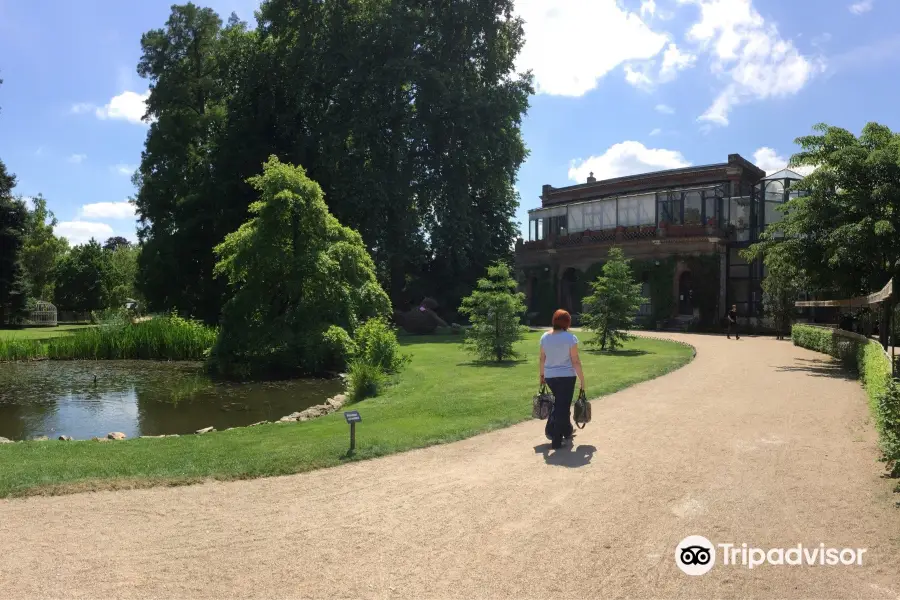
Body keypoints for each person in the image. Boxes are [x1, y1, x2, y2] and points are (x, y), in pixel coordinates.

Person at [539, 309, 586, 450]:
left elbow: (542, 358)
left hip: (550, 377)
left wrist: (541, 376)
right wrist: (582, 380)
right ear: (567, 322)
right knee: (562, 406)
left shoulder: (544, 337)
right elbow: (575, 361)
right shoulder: (570, 338)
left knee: (561, 405)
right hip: (566, 377)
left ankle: (567, 431)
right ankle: (556, 438)